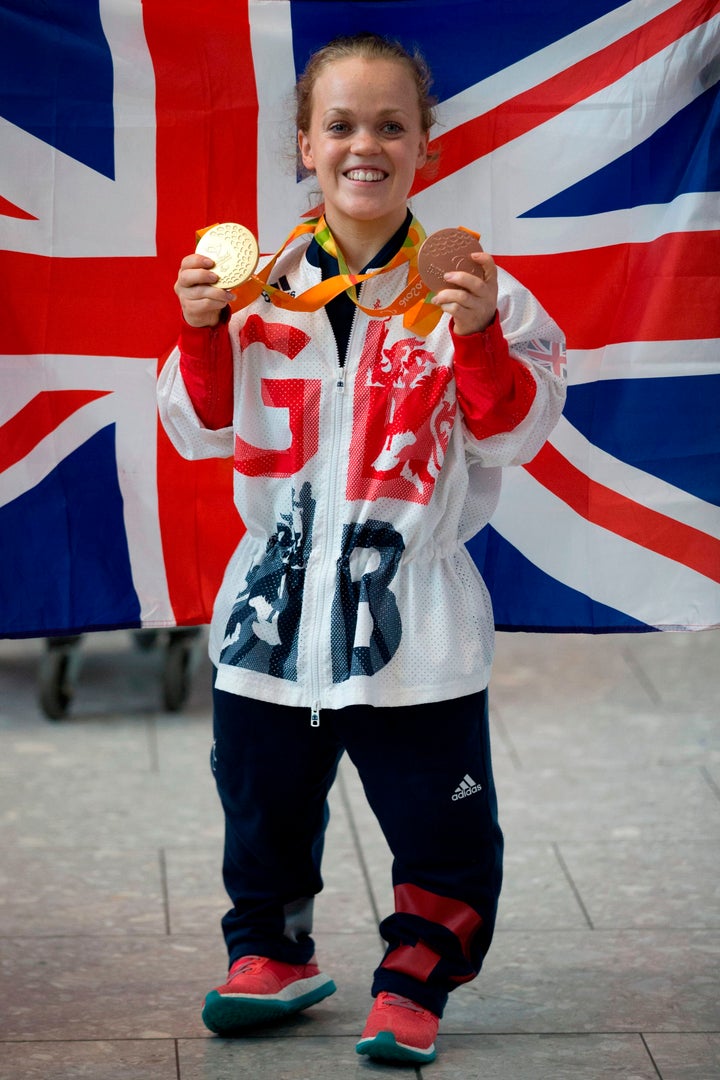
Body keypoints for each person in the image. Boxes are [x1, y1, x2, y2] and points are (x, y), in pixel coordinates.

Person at [157, 31, 566, 1065]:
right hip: (272, 614)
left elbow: (516, 430)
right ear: (305, 144)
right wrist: (202, 328)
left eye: (391, 125)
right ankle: (272, 949)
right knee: (260, 802)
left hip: (410, 619)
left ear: (428, 147)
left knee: (441, 824)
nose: (364, 145)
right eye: (341, 125)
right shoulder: (252, 289)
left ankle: (416, 973)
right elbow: (199, 427)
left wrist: (473, 337)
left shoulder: (481, 292)